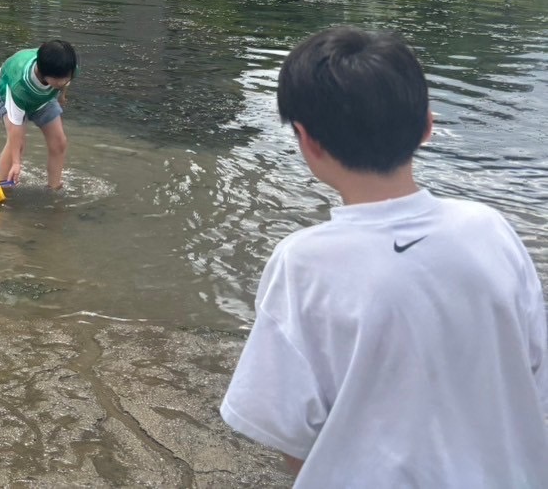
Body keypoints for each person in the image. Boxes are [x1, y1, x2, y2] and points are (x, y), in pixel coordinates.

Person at [222, 26, 548, 485]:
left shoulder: (305, 263)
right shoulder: (491, 229)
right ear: (427, 126)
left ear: (306, 140)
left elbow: (287, 426)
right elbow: (533, 372)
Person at [0, 40, 77, 191]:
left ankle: (54, 188)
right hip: (8, 91)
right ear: (42, 73)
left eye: (67, 77)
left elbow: (66, 81)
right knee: (17, 146)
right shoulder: (19, 86)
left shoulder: (66, 67)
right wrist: (17, 163)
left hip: (43, 97)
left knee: (59, 142)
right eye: (59, 79)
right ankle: (3, 189)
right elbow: (15, 127)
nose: (64, 81)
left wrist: (62, 95)